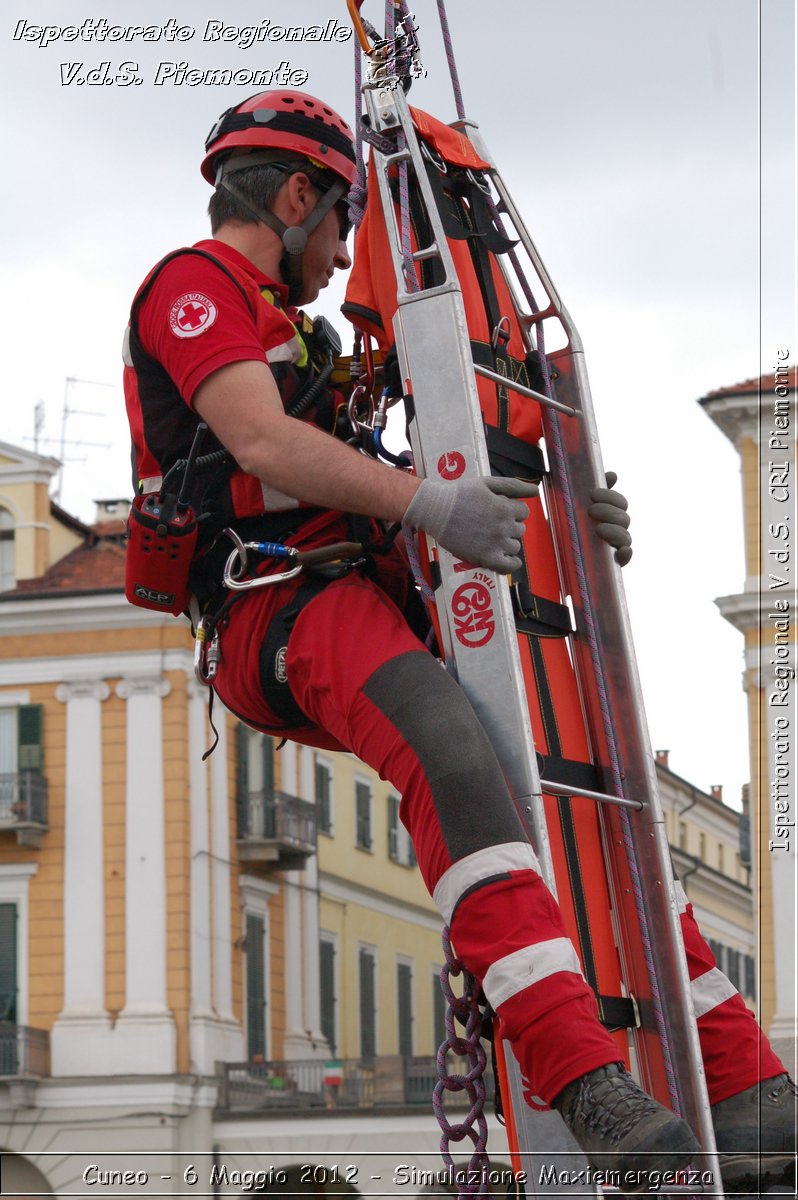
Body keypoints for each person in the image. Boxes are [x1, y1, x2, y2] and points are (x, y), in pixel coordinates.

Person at [123, 90, 795, 1192]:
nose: (345, 253)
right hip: (277, 606)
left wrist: (568, 515)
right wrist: (430, 510)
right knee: (451, 754)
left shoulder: (310, 334)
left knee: (579, 790)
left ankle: (747, 1082)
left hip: (368, 585)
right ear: (297, 200)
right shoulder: (195, 290)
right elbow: (258, 438)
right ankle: (585, 1080)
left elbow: (447, 448)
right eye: (342, 223)